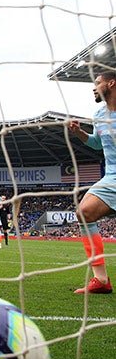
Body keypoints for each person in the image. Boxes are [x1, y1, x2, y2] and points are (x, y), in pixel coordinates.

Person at [67, 69, 116, 294]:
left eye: (98, 83)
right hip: (111, 177)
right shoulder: (98, 114)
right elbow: (98, 144)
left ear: (111, 84)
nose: (94, 87)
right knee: (84, 213)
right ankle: (101, 280)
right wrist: (79, 133)